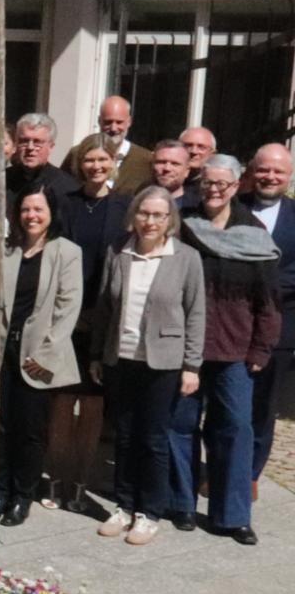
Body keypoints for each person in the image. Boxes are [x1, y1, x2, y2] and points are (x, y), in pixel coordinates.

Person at [173, 156, 279, 545]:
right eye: (207, 183)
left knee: (234, 429)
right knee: (180, 426)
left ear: (237, 186)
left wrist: (261, 348)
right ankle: (181, 503)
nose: (214, 190)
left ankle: (232, 515)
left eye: (222, 184)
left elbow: (268, 301)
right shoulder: (183, 226)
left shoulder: (253, 233)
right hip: (186, 348)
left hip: (234, 350)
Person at [92, 186, 204, 547]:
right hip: (121, 358)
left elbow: (196, 313)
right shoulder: (118, 251)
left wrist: (192, 365)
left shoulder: (185, 258)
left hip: (163, 362)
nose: (150, 221)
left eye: (158, 215)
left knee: (153, 439)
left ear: (170, 219)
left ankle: (150, 512)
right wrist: (97, 354)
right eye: (144, 213)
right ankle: (123, 506)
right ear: (133, 216)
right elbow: (104, 309)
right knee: (123, 436)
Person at [0, 186, 84, 527]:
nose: (31, 216)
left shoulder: (67, 252)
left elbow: (67, 307)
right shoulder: (6, 250)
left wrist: (46, 354)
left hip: (38, 355)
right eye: (26, 209)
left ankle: (22, 495)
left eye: (38, 210)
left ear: (51, 213)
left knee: (29, 430)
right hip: (3, 350)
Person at [50, 141, 131, 503]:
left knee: (94, 406)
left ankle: (81, 482)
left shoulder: (125, 207)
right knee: (62, 402)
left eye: (103, 159)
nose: (96, 166)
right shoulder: (66, 203)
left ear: (113, 163)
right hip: (67, 314)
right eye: (89, 160)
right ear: (80, 165)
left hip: (104, 317)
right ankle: (55, 477)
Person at [243, 143, 295, 489]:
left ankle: (250, 476)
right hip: (231, 325)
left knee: (262, 407)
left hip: (281, 327)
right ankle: (222, 466)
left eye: (278, 171)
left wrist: (258, 285)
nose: (270, 176)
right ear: (252, 171)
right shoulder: (234, 208)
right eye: (264, 169)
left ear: (288, 177)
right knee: (226, 404)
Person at [61, 95, 152, 193]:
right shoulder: (78, 153)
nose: (113, 128)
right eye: (108, 122)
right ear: (99, 121)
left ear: (129, 122)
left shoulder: (145, 159)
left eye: (119, 122)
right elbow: (62, 186)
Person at [7, 112, 82, 204]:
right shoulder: (2, 181)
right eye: (24, 141)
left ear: (51, 147)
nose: (30, 147)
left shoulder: (66, 188)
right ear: (16, 143)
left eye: (37, 142)